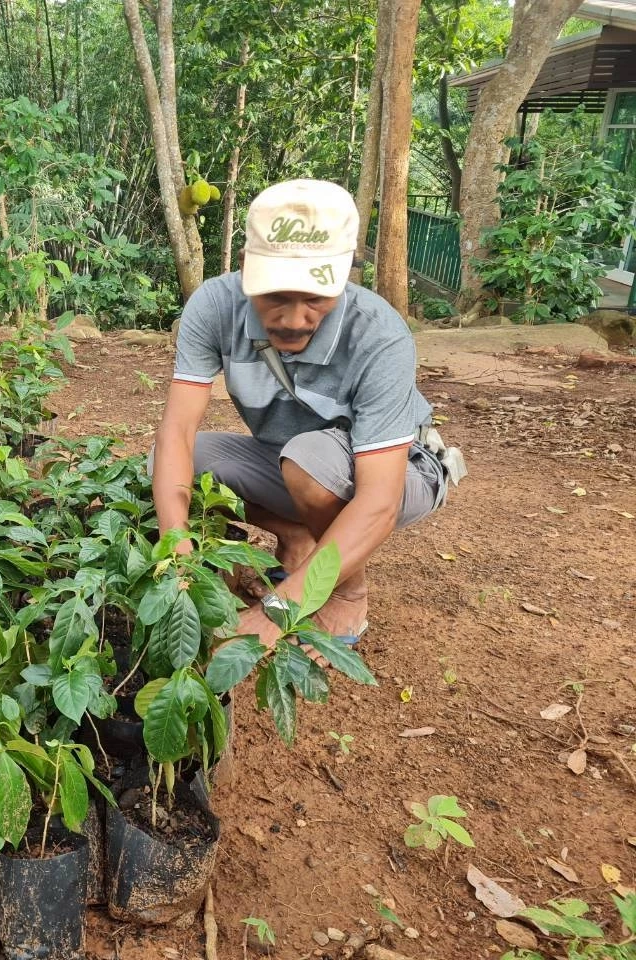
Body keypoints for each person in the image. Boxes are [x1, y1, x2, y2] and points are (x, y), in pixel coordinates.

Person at [150, 178, 457, 650]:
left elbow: (378, 500)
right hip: (286, 460)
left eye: (315, 296)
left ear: (345, 276)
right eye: (275, 294)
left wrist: (279, 609)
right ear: (247, 267)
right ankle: (299, 536)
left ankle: (349, 590)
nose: (293, 319)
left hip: (401, 472)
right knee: (167, 461)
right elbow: (177, 430)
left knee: (309, 459)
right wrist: (177, 551)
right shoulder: (214, 305)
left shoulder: (379, 335)